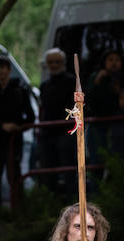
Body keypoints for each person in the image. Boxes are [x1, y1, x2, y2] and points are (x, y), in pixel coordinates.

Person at [0, 56, 34, 212]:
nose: (0, 71)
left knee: (14, 178)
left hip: (13, 141)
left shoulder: (20, 91)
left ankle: (18, 213)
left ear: (9, 70)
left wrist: (17, 127)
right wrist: (2, 126)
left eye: (3, 67)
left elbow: (29, 117)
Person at [36, 49, 78, 191]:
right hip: (48, 133)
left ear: (64, 63)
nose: (54, 65)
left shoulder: (72, 81)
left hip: (66, 131)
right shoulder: (45, 85)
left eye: (57, 62)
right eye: (51, 62)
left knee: (68, 170)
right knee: (48, 170)